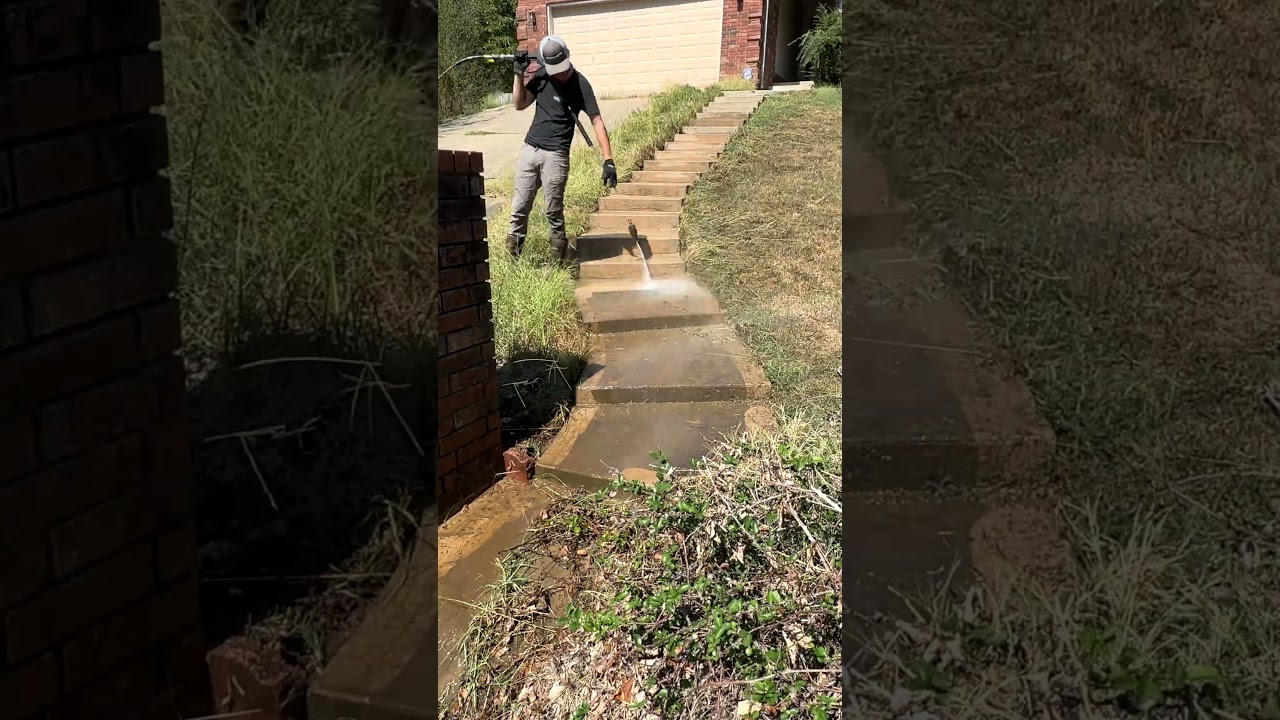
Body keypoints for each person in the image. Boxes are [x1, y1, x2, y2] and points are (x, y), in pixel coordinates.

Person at [506, 35, 616, 264]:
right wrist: (518, 73)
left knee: (553, 210)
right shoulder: (543, 76)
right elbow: (519, 104)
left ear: (567, 56)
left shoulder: (581, 84)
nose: (560, 74)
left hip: (556, 155)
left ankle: (558, 263)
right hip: (530, 149)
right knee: (519, 207)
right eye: (555, 70)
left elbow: (596, 120)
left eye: (562, 69)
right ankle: (513, 260)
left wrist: (608, 159)